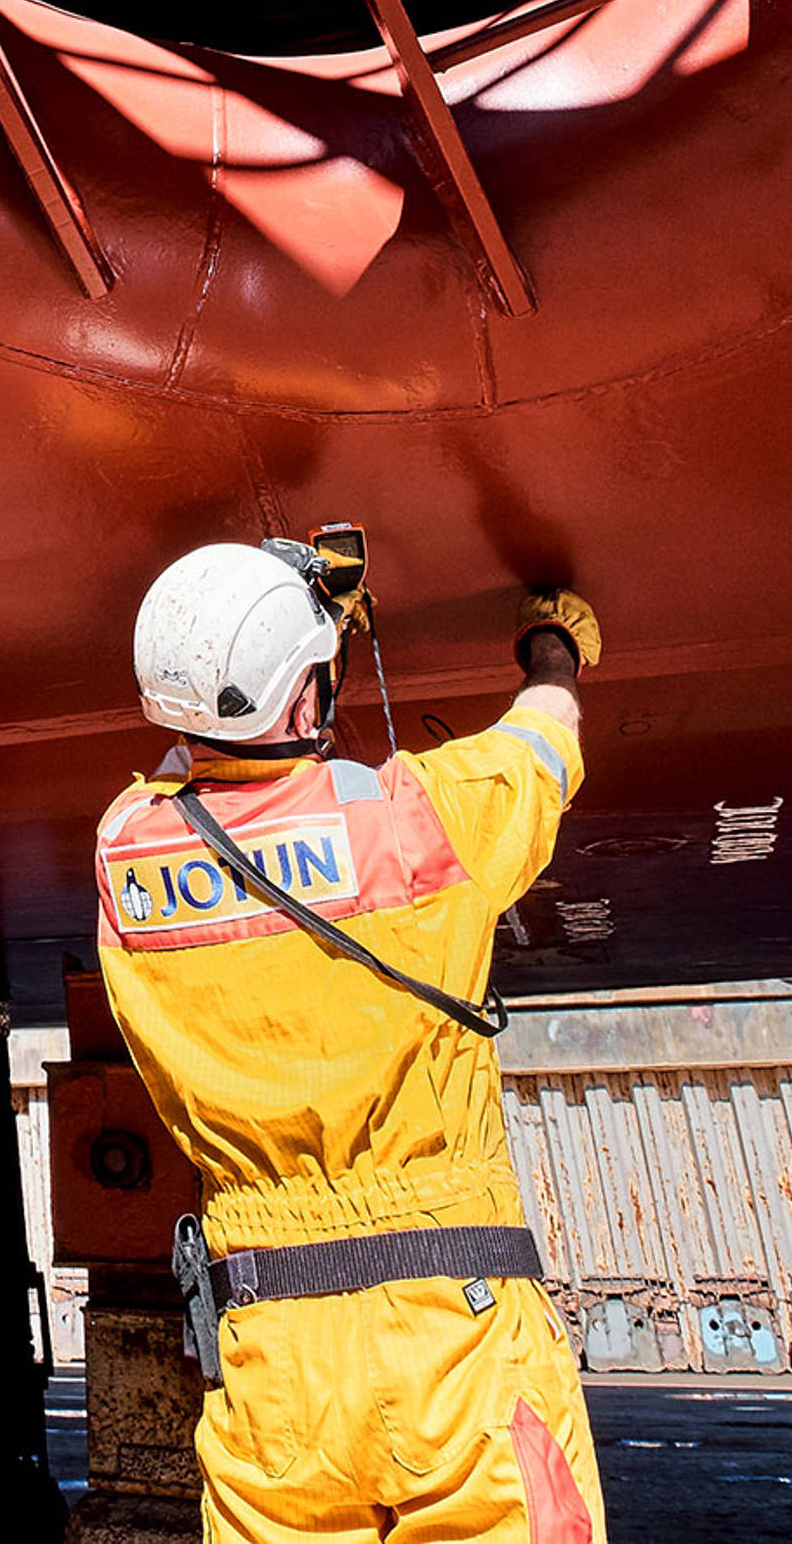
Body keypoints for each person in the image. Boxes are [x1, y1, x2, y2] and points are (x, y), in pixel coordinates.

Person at [94, 538, 606, 1543]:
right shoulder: (421, 825)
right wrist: (555, 644)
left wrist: (280, 636)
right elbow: (541, 747)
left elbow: (180, 776)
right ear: (300, 697)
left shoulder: (127, 858)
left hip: (271, 1359)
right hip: (449, 1334)